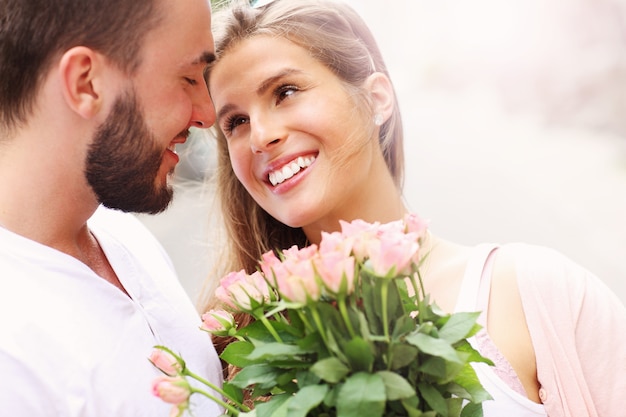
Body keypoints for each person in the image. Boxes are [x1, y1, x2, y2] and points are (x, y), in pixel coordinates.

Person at [200, 0, 626, 416]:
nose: (260, 136)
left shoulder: (534, 292)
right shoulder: (237, 350)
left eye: (286, 92)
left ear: (377, 99)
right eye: (235, 122)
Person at [0, 0, 223, 415]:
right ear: (87, 83)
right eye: (189, 78)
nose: (207, 114)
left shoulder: (121, 234)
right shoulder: (10, 355)